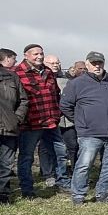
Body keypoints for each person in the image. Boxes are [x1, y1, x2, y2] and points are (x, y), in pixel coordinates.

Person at [59, 52, 108, 205]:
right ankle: (78, 195)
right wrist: (81, 121)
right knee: (84, 165)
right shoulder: (77, 83)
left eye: (100, 63)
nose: (97, 66)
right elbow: (65, 105)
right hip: (89, 134)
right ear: (87, 64)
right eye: (94, 63)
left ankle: (104, 193)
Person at [15, 44, 70, 197]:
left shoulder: (48, 72)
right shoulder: (17, 73)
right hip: (30, 123)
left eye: (41, 53)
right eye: (35, 54)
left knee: (60, 153)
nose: (39, 56)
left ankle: (63, 182)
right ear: (26, 55)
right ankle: (27, 189)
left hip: (51, 121)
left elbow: (56, 95)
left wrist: (57, 113)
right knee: (27, 157)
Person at [41, 54, 72, 181]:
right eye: (52, 63)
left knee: (65, 148)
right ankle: (48, 173)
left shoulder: (66, 79)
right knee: (45, 147)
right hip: (46, 117)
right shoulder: (41, 78)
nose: (55, 65)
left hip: (64, 118)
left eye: (57, 63)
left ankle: (63, 174)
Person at [0, 62, 28, 204]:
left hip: (8, 127)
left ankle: (3, 195)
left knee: (6, 164)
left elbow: (23, 100)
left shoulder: (11, 77)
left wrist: (16, 119)